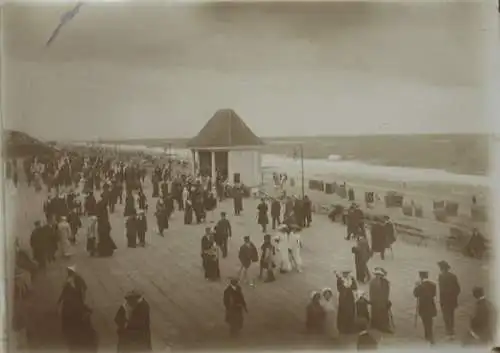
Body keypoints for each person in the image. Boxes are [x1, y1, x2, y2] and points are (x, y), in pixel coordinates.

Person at [57, 266, 88, 351]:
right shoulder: (69, 281)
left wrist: (83, 297)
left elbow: (84, 288)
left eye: (70, 272)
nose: (69, 274)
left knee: (76, 315)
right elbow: (64, 292)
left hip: (75, 301)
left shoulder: (77, 280)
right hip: (70, 303)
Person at [437, 260, 461, 339]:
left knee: (446, 316)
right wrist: (454, 296)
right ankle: (452, 331)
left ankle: (449, 332)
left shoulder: (441, 277)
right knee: (451, 315)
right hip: (452, 300)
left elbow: (442, 290)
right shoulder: (453, 276)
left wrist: (442, 300)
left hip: (445, 300)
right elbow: (458, 289)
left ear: (442, 268)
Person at [413, 270, 437, 345]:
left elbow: (415, 294)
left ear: (421, 277)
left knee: (425, 320)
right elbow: (434, 294)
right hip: (430, 305)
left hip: (423, 306)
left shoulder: (420, 286)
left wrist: (416, 286)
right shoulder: (433, 285)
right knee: (429, 320)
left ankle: (428, 335)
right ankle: (429, 334)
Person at [369, 267, 392, 333]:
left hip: (383, 301)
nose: (379, 276)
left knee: (384, 314)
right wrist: (372, 300)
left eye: (380, 275)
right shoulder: (372, 282)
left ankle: (384, 326)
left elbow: (386, 292)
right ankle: (375, 325)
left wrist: (386, 300)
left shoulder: (386, 282)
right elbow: (371, 292)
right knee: (375, 313)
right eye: (377, 274)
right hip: (375, 301)